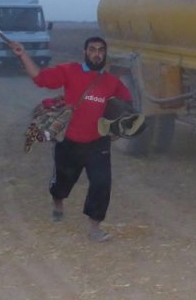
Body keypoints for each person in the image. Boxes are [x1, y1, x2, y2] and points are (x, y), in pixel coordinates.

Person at [9, 36, 132, 242]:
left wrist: (118, 130)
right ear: (85, 53)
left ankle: (95, 228)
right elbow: (39, 78)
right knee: (63, 183)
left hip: (98, 143)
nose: (97, 53)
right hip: (69, 141)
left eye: (101, 50)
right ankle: (58, 202)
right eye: (92, 49)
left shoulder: (112, 82)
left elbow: (127, 107)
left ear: (105, 54)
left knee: (101, 184)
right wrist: (23, 55)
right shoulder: (70, 71)